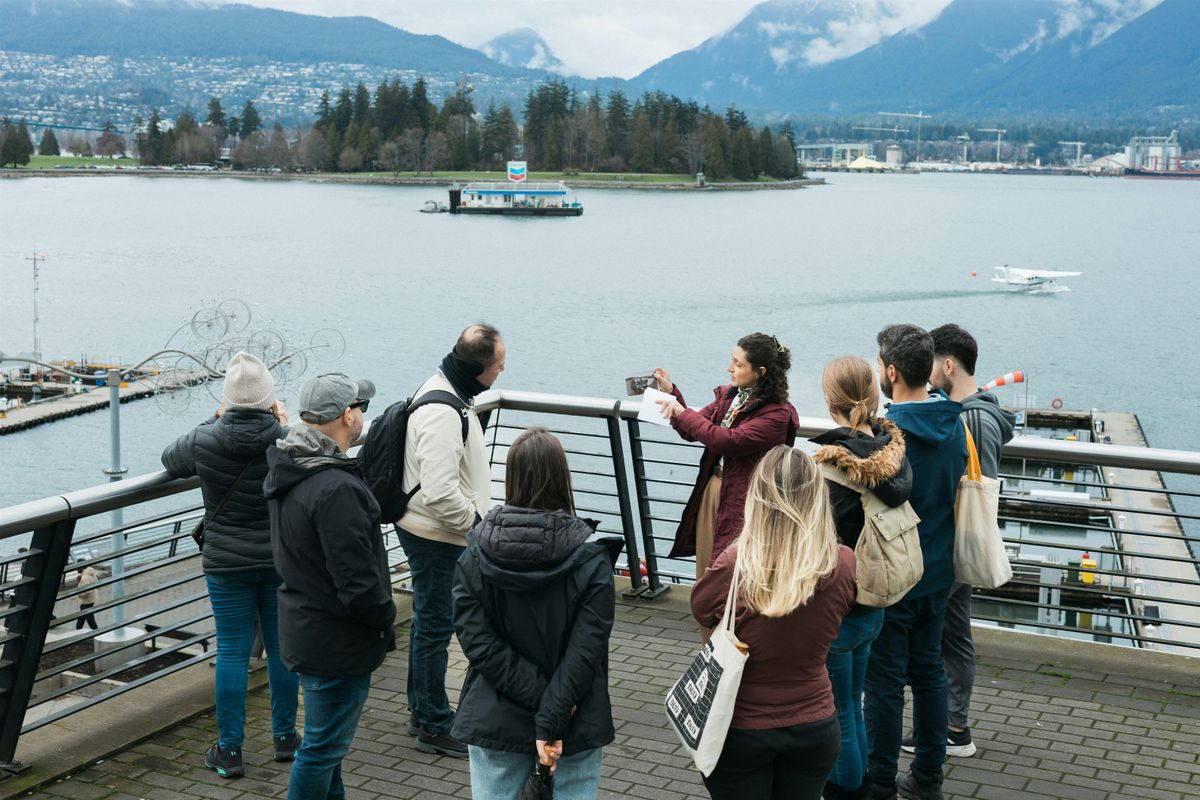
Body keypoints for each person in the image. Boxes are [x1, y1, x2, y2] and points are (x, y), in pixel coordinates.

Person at [452, 428, 624, 799]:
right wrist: (552, 714)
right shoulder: (592, 560)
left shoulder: (473, 556)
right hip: (574, 721)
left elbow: (478, 644)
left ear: (510, 478)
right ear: (564, 479)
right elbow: (586, 649)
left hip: (495, 717)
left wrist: (541, 701)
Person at [161, 351, 299, 779]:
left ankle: (230, 750)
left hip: (225, 562)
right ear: (269, 399)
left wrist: (215, 418)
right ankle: (284, 738)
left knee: (232, 652)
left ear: (225, 400)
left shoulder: (206, 438)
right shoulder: (285, 437)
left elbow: (170, 459)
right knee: (281, 649)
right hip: (278, 558)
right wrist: (281, 421)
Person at [691, 445, 856, 800]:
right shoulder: (842, 563)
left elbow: (702, 609)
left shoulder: (736, 564)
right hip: (815, 725)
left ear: (757, 497)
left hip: (739, 727)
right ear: (817, 498)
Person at [264, 372, 394, 800]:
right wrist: (384, 616)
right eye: (360, 409)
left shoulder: (293, 467)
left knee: (328, 749)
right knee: (321, 751)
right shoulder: (335, 487)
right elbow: (357, 582)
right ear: (347, 416)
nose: (361, 417)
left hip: (308, 628)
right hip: (336, 641)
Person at [897, 324, 1015, 759]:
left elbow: (976, 488)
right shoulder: (963, 410)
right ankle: (949, 725)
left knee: (949, 636)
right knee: (950, 634)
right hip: (948, 540)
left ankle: (953, 727)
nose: (926, 376)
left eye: (930, 366)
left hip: (952, 541)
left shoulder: (974, 417)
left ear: (947, 364)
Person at [864, 325, 967, 800]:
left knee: (883, 682)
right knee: (928, 671)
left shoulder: (890, 433)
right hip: (939, 569)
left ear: (890, 370)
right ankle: (928, 777)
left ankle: (880, 781)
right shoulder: (955, 422)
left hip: (894, 570)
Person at [397, 323, 504, 757]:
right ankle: (435, 725)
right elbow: (440, 491)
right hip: (436, 536)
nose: (501, 372)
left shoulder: (444, 387)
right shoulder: (443, 412)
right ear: (478, 367)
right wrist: (475, 524)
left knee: (429, 623)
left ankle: (421, 711)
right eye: (498, 365)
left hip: (430, 531)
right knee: (435, 628)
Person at [812, 356, 912, 800]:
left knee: (839, 713)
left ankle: (847, 792)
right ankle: (866, 784)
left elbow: (819, 545)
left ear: (830, 400)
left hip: (837, 609)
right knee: (854, 705)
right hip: (874, 602)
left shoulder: (833, 468)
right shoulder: (891, 452)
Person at [654, 333, 799, 581]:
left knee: (734, 568)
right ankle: (707, 619)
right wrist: (672, 395)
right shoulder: (731, 396)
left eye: (738, 364)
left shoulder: (777, 415)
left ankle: (731, 619)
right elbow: (694, 429)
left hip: (747, 498)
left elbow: (726, 441)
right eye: (732, 360)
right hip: (715, 488)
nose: (729, 368)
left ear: (761, 371)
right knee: (708, 565)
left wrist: (681, 411)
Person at [75, 564, 99, 630]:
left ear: (82, 567)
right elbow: (96, 582)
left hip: (87, 600)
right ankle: (78, 629)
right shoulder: (91, 572)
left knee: (89, 619)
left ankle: (97, 632)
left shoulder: (85, 577)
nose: (77, 569)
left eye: (78, 567)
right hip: (91, 598)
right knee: (82, 616)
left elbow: (87, 590)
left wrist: (79, 595)